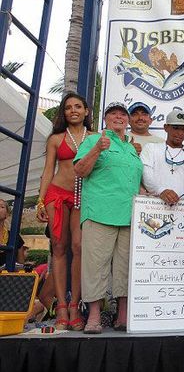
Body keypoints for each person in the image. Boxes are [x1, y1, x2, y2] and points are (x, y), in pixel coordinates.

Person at [74, 101, 143, 334]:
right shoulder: (94, 140)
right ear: (105, 119)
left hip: (129, 216)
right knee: (95, 266)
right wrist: (97, 150)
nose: (118, 117)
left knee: (125, 267)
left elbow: (139, 183)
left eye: (122, 114)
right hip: (99, 213)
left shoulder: (132, 148)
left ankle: (122, 315)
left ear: (128, 121)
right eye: (112, 113)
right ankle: (94, 316)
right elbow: (80, 171)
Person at [36, 92, 92, 330]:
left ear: (86, 111)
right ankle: (60, 307)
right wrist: (40, 201)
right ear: (64, 112)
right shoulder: (56, 139)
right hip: (57, 194)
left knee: (78, 248)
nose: (73, 111)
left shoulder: (96, 137)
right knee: (58, 247)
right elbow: (49, 171)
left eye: (78, 106)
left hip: (83, 196)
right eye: (68, 107)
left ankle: (74, 305)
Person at [141, 109, 184, 205]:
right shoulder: (151, 148)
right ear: (166, 127)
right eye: (176, 128)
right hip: (156, 207)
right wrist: (161, 191)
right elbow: (146, 175)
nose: (180, 133)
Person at [0, 199, 25, 267]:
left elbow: (21, 263)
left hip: (7, 276)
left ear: (7, 214)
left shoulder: (15, 236)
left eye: (2, 207)